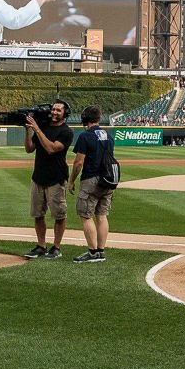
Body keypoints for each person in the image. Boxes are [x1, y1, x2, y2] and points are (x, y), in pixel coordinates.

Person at [23, 100, 73, 260]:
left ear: (65, 114)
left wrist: (37, 129)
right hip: (38, 176)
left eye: (58, 110)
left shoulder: (66, 132)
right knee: (38, 214)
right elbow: (29, 149)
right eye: (53, 109)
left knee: (59, 215)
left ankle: (56, 247)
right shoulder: (43, 127)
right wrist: (28, 131)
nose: (54, 112)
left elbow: (51, 148)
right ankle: (41, 246)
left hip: (56, 178)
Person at [67, 105, 114, 264]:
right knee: (102, 216)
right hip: (108, 180)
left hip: (91, 179)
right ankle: (100, 251)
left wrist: (72, 180)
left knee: (86, 216)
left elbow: (79, 162)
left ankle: (92, 252)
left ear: (84, 119)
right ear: (99, 118)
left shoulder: (85, 136)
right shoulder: (108, 135)